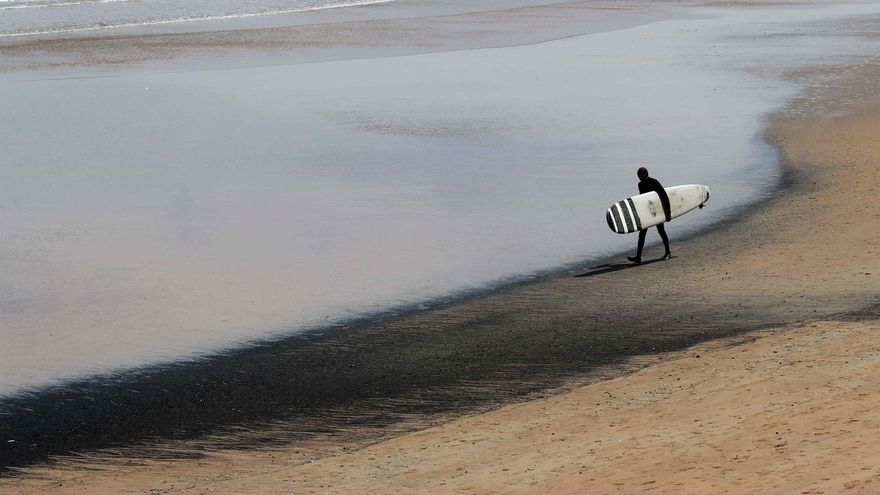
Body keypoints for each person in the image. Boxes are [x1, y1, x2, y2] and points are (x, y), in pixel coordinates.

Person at [628, 167, 672, 263]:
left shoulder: (654, 182)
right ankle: (638, 257)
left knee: (661, 231)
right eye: (638, 176)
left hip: (658, 210)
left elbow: (664, 196)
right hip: (647, 212)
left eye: (640, 175)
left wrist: (668, 213)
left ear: (646, 174)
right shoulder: (640, 185)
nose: (639, 178)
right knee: (642, 233)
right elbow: (642, 199)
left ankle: (668, 252)